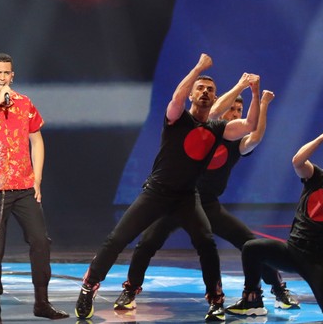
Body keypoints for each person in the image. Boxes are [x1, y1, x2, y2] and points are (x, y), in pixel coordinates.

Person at [75, 53, 261, 321]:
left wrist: (254, 92)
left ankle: (216, 300)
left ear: (216, 97)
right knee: (118, 239)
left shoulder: (219, 127)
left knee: (206, 243)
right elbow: (175, 99)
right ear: (191, 95)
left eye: (210, 89)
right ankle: (89, 285)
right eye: (200, 88)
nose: (205, 92)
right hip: (156, 193)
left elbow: (250, 125)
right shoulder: (177, 118)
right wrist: (198, 68)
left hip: (186, 197)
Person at [112, 88, 301, 316]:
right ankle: (130, 290)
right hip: (177, 199)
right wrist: (240, 87)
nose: (235, 113)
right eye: (232, 108)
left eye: (239, 110)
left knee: (251, 244)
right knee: (148, 242)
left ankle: (279, 289)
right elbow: (213, 110)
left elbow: (256, 136)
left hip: (207, 204)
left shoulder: (236, 144)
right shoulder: (206, 130)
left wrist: (263, 104)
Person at [0, 53, 69, 323]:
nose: (2, 78)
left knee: (41, 242)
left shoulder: (24, 103)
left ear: (12, 76)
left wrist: (37, 179)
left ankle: (42, 302)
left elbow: (37, 140)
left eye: (7, 74)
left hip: (23, 186)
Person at [229, 125, 323, 318]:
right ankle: (252, 299)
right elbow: (297, 161)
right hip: (291, 252)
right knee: (252, 248)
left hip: (316, 262)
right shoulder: (316, 178)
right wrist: (321, 138)